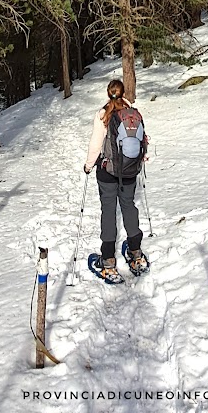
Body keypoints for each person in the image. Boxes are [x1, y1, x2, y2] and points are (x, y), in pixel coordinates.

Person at [84, 78, 148, 283]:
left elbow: (96, 144)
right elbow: (142, 139)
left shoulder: (103, 114)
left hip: (107, 171)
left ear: (108, 93)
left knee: (109, 211)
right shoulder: (132, 112)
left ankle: (109, 262)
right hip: (130, 170)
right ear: (123, 92)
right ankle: (136, 254)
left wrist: (88, 165)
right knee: (129, 207)